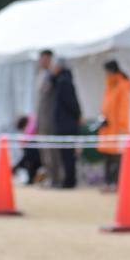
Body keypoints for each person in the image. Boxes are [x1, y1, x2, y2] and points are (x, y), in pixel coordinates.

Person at [98, 60, 130, 191]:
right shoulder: (110, 85)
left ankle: (115, 183)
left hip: (117, 128)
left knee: (117, 158)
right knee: (108, 157)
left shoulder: (122, 85)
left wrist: (123, 127)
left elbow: (124, 108)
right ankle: (108, 182)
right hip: (107, 127)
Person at [50, 59, 82, 188]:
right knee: (66, 154)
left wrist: (77, 116)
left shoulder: (64, 82)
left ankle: (69, 180)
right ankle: (68, 179)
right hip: (65, 123)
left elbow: (72, 103)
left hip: (67, 124)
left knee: (68, 154)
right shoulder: (61, 80)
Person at [35, 48, 61, 187]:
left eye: (46, 59)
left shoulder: (53, 75)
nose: (43, 61)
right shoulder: (41, 74)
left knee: (52, 151)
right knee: (44, 151)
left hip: (51, 119)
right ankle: (49, 176)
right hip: (42, 118)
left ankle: (55, 177)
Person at [12, 114, 41, 185]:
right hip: (35, 149)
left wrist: (22, 143)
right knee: (27, 159)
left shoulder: (32, 123)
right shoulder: (32, 119)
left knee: (28, 159)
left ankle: (15, 169)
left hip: (37, 149)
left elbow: (28, 136)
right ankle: (15, 169)